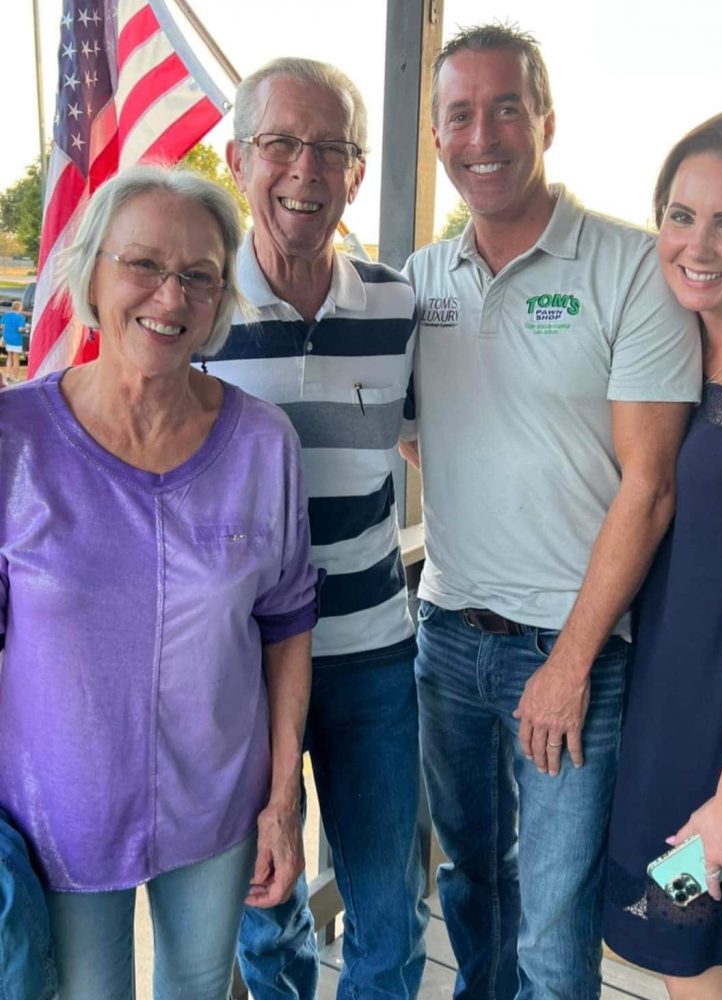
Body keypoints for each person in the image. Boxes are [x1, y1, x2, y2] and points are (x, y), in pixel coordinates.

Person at [400, 24, 703, 999]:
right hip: (443, 633)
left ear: (544, 122)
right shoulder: (417, 280)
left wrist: (569, 661)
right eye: (458, 113)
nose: (480, 133)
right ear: (438, 135)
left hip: (574, 654)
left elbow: (647, 484)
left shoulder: (627, 268)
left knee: (548, 929)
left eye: (503, 108)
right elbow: (417, 430)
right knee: (469, 885)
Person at [0, 164, 320, 1000]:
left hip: (217, 805)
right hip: (56, 815)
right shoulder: (12, 441)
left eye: (199, 277)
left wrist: (284, 800)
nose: (169, 298)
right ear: (92, 273)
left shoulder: (262, 444)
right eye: (143, 265)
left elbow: (288, 627)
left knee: (198, 989)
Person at [204, 57, 427, 999]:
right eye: (281, 143)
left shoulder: (397, 306)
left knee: (389, 906)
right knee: (267, 902)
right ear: (236, 156)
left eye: (330, 148)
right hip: (239, 666)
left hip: (375, 653)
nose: (306, 169)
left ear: (357, 172)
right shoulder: (191, 313)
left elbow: (426, 449)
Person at [603, 110, 722, 998]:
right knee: (681, 961)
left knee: (704, 972)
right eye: (681, 215)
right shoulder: (672, 343)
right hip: (655, 715)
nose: (698, 242)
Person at [1, 300, 27, 381]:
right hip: (16, 340)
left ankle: (8, 374)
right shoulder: (21, 317)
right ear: (19, 308)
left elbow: (1, 326)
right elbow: (20, 329)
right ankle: (15, 377)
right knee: (16, 358)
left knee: (9, 357)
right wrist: (26, 328)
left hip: (7, 338)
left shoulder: (6, 315)